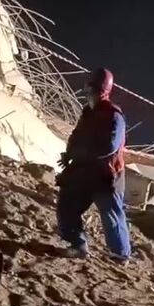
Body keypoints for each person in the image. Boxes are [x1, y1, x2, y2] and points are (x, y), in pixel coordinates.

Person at [56, 67, 130, 261]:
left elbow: (110, 147)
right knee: (67, 203)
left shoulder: (114, 116)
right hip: (86, 172)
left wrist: (82, 155)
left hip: (107, 175)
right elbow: (77, 134)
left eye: (94, 90)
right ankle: (78, 245)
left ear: (103, 91)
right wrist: (69, 153)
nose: (90, 95)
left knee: (111, 216)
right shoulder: (88, 113)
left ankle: (120, 255)